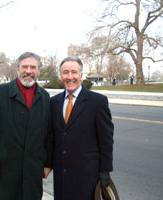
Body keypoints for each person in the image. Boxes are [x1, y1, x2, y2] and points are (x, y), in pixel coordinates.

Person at [0, 52, 53, 200]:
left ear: (38, 71)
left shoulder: (44, 97)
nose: (28, 71)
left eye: (33, 67)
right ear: (18, 69)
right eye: (24, 67)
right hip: (5, 169)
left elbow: (48, 134)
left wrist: (47, 164)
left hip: (33, 170)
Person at [50, 57, 114, 200]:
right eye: (65, 72)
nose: (70, 77)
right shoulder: (54, 102)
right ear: (61, 76)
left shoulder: (97, 102)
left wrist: (105, 170)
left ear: (81, 75)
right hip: (62, 176)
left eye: (74, 72)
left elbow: (106, 140)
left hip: (87, 177)